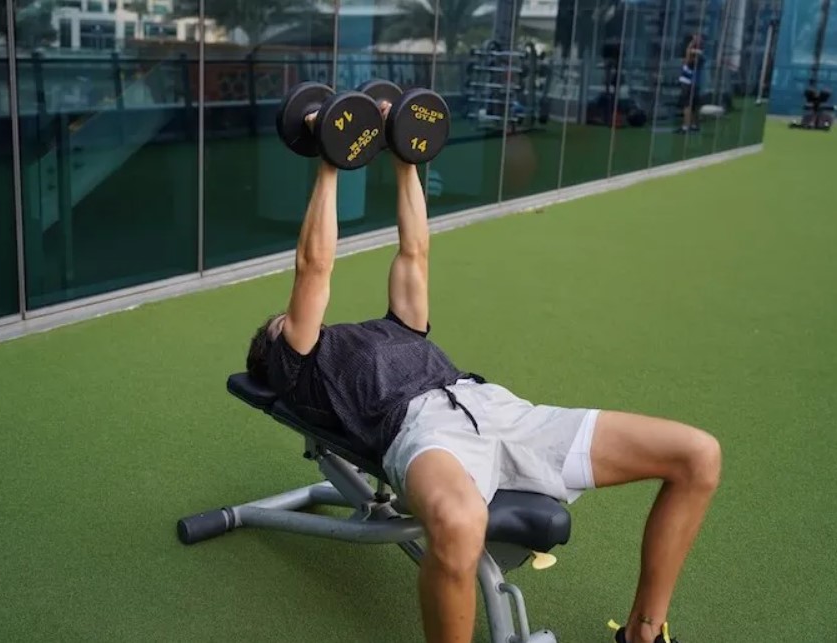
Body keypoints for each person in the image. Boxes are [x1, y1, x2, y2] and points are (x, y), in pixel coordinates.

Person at [246, 104, 721, 643]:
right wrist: (330, 158)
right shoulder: (301, 363)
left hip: (501, 410)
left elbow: (414, 250)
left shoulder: (395, 327)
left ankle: (644, 632)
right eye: (280, 323)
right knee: (459, 523)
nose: (295, 317)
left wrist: (405, 155)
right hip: (424, 436)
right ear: (277, 352)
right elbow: (315, 267)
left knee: (697, 455)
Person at [678, 34, 705, 133]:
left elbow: (687, 60)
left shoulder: (696, 54)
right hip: (694, 82)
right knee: (693, 106)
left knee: (687, 105)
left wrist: (690, 46)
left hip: (688, 82)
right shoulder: (699, 53)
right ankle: (694, 125)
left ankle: (686, 126)